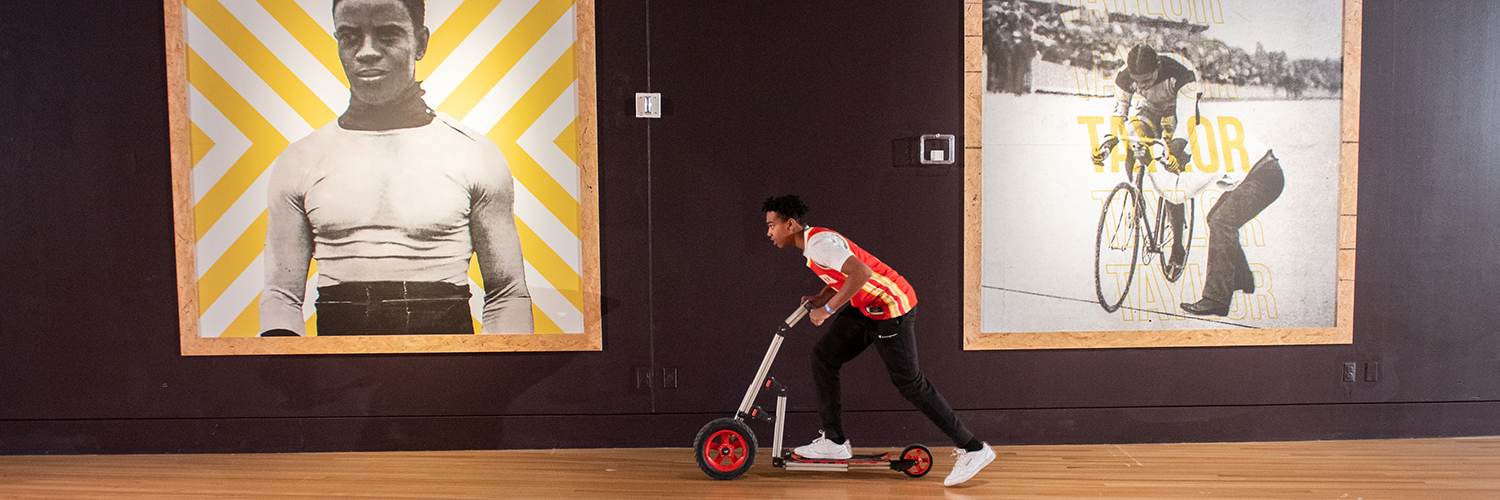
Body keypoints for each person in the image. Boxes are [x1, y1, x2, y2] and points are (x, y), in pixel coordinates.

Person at [259, 0, 532, 336]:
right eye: (349, 36)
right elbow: (281, 295)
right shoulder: (300, 159)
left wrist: (501, 379)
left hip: (447, 374)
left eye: (388, 35)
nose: (367, 52)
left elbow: (507, 292)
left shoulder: (474, 154)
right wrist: (297, 384)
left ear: (420, 43)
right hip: (340, 378)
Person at [762, 195, 995, 486]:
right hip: (868, 307)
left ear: (791, 224)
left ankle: (974, 448)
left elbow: (861, 272)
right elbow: (843, 270)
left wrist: (828, 310)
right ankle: (834, 442)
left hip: (890, 307)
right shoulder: (816, 239)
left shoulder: (818, 245)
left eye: (772, 225)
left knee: (909, 383)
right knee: (824, 357)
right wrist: (823, 295)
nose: (769, 232)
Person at [1092, 44, 1197, 282]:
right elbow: (1119, 114)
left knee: (1171, 174)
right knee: (1131, 137)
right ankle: (1136, 193)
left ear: (1158, 67)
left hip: (1178, 114)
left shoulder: (1181, 74)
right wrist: (1109, 143)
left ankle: (1177, 247)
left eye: (1147, 80)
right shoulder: (1124, 76)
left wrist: (1171, 153)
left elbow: (1188, 120)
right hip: (1149, 111)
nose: (1142, 86)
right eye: (1137, 82)